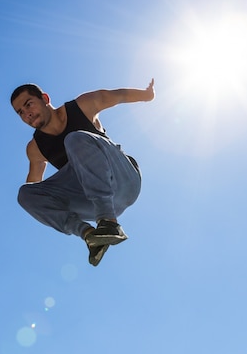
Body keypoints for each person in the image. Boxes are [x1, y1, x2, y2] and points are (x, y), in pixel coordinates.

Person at [11, 79, 155, 266]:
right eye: (20, 113)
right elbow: (35, 188)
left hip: (124, 181)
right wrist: (35, 208)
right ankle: (91, 236)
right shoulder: (35, 149)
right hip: (91, 202)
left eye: (28, 104)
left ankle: (108, 223)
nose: (27, 114)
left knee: (74, 139)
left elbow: (119, 96)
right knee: (25, 193)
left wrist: (148, 95)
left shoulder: (83, 105)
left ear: (45, 98)